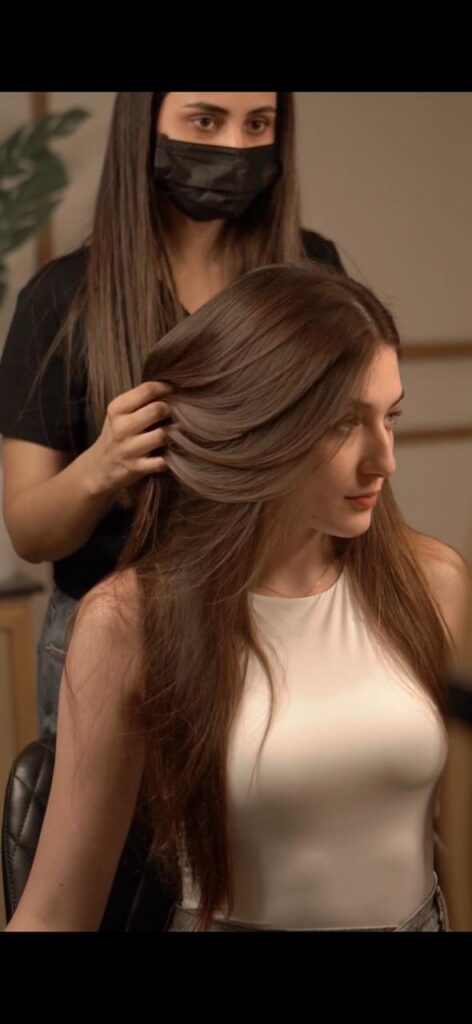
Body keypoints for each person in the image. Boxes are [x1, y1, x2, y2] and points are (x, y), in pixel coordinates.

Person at [5, 260, 469, 932]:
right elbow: (55, 914)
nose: (384, 459)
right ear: (255, 427)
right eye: (344, 424)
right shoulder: (130, 621)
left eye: (389, 417)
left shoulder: (432, 584)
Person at [0, 91, 345, 737]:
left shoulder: (313, 271)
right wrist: (104, 466)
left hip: (283, 624)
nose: (236, 146)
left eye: (259, 124)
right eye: (206, 121)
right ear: (146, 125)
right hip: (113, 643)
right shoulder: (59, 299)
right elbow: (31, 533)